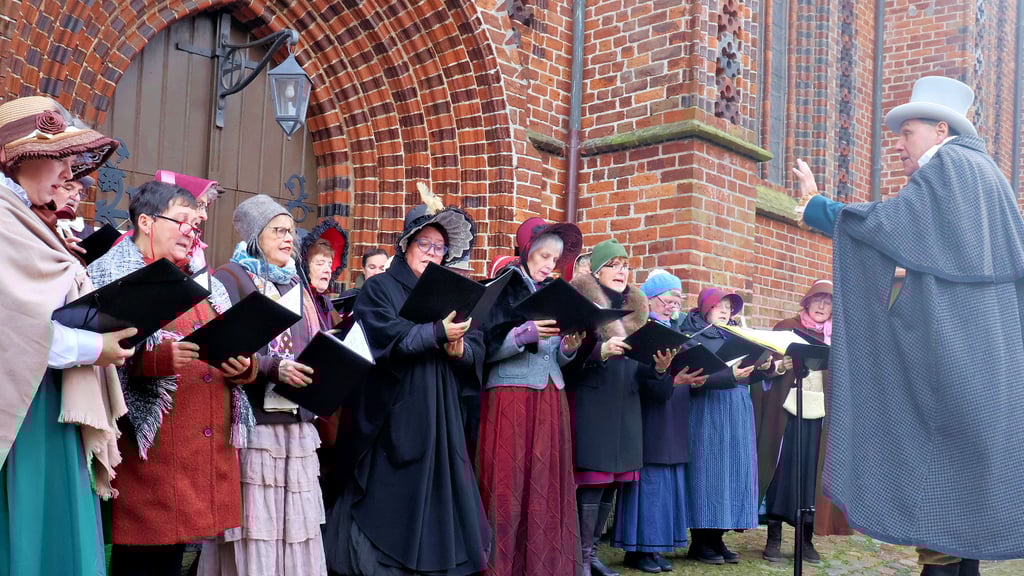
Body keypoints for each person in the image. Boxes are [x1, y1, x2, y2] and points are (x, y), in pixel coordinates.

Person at [793, 76, 1024, 575]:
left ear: (941, 130)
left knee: (938, 476)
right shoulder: (991, 179)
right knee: (966, 503)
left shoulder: (948, 168)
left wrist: (819, 208)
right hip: (992, 354)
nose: (899, 146)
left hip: (952, 352)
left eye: (908, 133)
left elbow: (890, 227)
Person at [89, 180, 255, 576]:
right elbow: (91, 353)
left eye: (195, 222)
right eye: (182, 219)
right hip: (152, 453)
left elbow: (228, 338)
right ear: (146, 222)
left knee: (177, 560)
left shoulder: (200, 279)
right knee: (144, 562)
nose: (192, 229)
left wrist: (243, 366)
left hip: (198, 454)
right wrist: (154, 359)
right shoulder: (111, 273)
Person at [323, 187, 491, 575]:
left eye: (439, 248)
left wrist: (459, 350)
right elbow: (380, 335)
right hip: (394, 405)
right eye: (425, 244)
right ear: (406, 245)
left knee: (441, 486)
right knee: (389, 491)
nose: (432, 253)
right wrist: (435, 334)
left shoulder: (452, 291)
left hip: (441, 406)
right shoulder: (379, 288)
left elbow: (477, 343)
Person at [0, 95, 133, 576]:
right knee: (34, 536)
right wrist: (99, 347)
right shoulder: (5, 219)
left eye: (71, 159)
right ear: (17, 157)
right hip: (23, 407)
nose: (69, 172)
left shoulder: (29, 220)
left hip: (46, 399)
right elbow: (15, 330)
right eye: (58, 156)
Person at [201, 195, 328, 576]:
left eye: (292, 231)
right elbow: (222, 348)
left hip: (296, 422)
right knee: (258, 526)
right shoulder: (231, 278)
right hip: (256, 425)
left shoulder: (297, 283)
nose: (289, 238)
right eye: (279, 230)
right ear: (256, 235)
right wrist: (273, 367)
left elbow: (309, 340)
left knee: (293, 528)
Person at [478, 217, 585, 576]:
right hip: (511, 396)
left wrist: (569, 349)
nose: (548, 265)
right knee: (509, 484)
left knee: (544, 485)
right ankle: (502, 566)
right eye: (542, 256)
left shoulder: (555, 292)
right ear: (525, 252)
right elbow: (484, 347)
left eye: (554, 260)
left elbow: (555, 354)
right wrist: (523, 334)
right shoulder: (503, 287)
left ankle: (541, 566)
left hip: (549, 395)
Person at [567, 239, 674, 576]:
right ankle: (579, 559)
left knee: (611, 485)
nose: (620, 271)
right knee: (592, 482)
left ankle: (592, 554)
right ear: (597, 271)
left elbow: (650, 382)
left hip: (626, 409)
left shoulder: (638, 314)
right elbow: (565, 364)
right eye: (613, 265)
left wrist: (660, 367)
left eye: (625, 266)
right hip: (592, 407)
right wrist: (598, 352)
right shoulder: (581, 306)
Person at [612, 271, 706, 573]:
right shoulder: (643, 330)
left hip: (674, 415)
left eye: (678, 301)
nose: (673, 306)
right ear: (651, 299)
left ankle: (657, 546)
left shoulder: (674, 331)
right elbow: (639, 378)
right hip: (650, 416)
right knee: (650, 483)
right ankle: (639, 548)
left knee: (668, 483)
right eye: (668, 300)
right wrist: (666, 375)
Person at [753, 280, 849, 566]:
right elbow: (763, 366)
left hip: (819, 415)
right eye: (817, 300)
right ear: (806, 303)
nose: (822, 306)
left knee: (811, 476)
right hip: (786, 413)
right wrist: (781, 365)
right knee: (781, 473)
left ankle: (805, 540)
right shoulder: (786, 327)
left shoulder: (837, 337)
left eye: (828, 302)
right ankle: (774, 537)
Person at [680, 287, 764, 565]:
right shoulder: (692, 337)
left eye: (730, 306)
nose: (726, 311)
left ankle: (717, 537)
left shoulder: (738, 336)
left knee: (731, 472)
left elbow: (745, 375)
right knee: (709, 471)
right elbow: (694, 378)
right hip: (709, 408)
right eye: (720, 305)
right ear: (706, 308)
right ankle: (701, 540)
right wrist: (728, 375)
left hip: (736, 408)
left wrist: (762, 369)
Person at [154, 170, 221, 269]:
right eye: (200, 206)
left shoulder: (195, 250)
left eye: (205, 208)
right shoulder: (140, 246)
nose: (204, 216)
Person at [298, 217, 348, 329]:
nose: (327, 270)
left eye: (330, 264)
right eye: (320, 263)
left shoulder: (325, 302)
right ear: (305, 267)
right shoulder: (297, 300)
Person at [55, 174, 96, 242]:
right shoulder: (35, 223)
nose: (76, 198)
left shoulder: (87, 232)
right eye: (68, 188)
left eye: (79, 192)